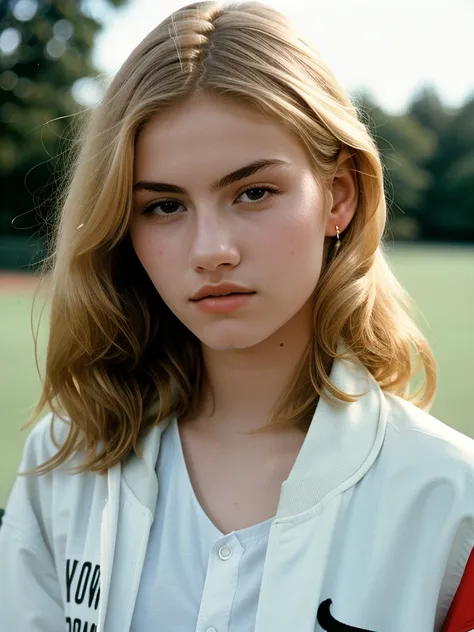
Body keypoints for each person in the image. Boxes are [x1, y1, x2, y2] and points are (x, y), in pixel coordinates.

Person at [0, 1, 473, 630]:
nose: (211, 251)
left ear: (339, 196)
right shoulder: (64, 458)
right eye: (165, 206)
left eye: (253, 193)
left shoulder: (451, 499)